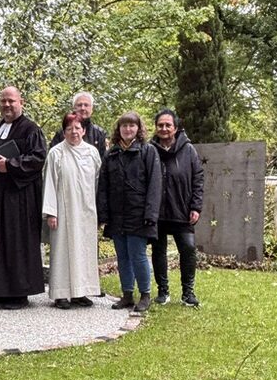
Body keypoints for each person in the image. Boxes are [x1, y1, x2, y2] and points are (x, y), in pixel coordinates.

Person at [0, 86, 47, 309]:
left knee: (15, 243)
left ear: (21, 102)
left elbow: (38, 158)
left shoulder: (31, 129)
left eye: (11, 101)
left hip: (19, 200)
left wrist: (10, 165)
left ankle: (18, 293)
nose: (7, 105)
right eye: (4, 101)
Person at [97, 111, 161, 312]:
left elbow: (155, 185)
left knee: (138, 255)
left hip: (139, 214)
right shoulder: (111, 154)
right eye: (124, 126)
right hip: (117, 216)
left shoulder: (148, 151)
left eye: (132, 126)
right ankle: (127, 294)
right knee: (122, 256)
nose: (128, 129)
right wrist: (104, 214)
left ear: (138, 128)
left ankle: (145, 294)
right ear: (119, 129)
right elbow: (103, 187)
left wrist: (151, 214)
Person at [42, 112, 102, 309]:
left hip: (86, 210)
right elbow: (49, 182)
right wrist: (51, 212)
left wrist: (100, 209)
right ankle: (61, 294)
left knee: (84, 250)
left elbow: (97, 182)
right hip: (64, 210)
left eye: (77, 128)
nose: (74, 132)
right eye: (69, 129)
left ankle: (80, 292)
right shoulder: (56, 153)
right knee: (62, 251)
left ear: (84, 130)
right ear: (63, 132)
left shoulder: (92, 153)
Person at [150, 108, 204, 307]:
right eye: (160, 125)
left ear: (176, 127)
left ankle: (188, 292)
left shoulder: (188, 150)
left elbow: (198, 178)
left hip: (182, 209)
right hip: (158, 211)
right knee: (158, 250)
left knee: (188, 248)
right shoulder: (150, 149)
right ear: (156, 128)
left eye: (168, 125)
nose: (164, 129)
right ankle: (163, 291)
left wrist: (196, 207)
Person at [48, 91, 107, 158]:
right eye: (79, 105)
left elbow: (103, 162)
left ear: (92, 109)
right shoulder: (62, 133)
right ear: (73, 108)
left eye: (86, 105)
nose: (83, 108)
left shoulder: (99, 134)